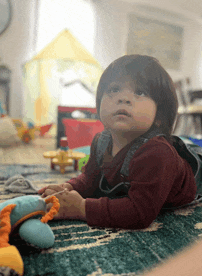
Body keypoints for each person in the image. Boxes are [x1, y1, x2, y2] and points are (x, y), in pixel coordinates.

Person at [38, 54, 197, 229]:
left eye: (140, 92)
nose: (124, 98)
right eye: (114, 89)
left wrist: (82, 208)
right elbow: (90, 179)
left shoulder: (157, 153)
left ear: (159, 116)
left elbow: (140, 212)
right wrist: (67, 187)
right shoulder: (101, 141)